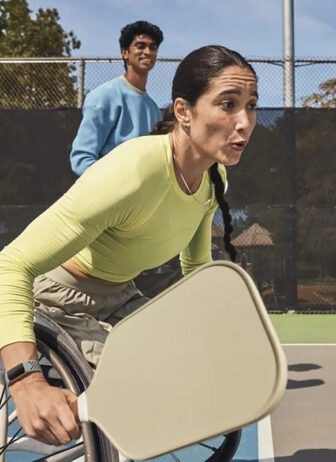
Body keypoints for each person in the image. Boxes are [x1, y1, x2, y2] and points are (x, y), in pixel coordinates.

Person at [0, 45, 258, 446]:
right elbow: (11, 264)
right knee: (141, 383)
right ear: (183, 112)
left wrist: (213, 334)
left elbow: (195, 266)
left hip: (120, 295)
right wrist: (26, 379)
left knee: (189, 372)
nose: (244, 123)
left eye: (251, 106)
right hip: (54, 299)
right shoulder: (133, 172)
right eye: (228, 104)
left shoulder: (214, 178)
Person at [69, 20, 164, 176]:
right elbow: (81, 160)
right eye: (140, 46)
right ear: (125, 53)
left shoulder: (154, 110)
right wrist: (116, 187)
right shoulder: (102, 97)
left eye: (152, 47)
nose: (147, 52)